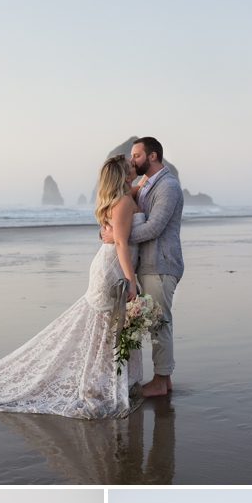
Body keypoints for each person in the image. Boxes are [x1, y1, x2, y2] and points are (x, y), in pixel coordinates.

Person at [0, 154, 146, 417]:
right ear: (124, 176)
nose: (135, 166)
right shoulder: (124, 201)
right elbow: (122, 243)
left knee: (105, 329)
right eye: (131, 166)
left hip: (108, 264)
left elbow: (140, 188)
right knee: (105, 329)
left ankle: (107, 381)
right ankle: (103, 385)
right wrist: (131, 282)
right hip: (113, 268)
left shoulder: (126, 196)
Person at [100, 136, 184, 397]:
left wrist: (118, 238)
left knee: (161, 323)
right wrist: (111, 231)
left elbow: (154, 227)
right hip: (148, 265)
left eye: (136, 156)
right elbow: (118, 205)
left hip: (161, 264)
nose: (133, 161)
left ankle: (160, 381)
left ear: (153, 157)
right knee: (156, 323)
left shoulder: (167, 186)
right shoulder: (147, 184)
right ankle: (163, 380)